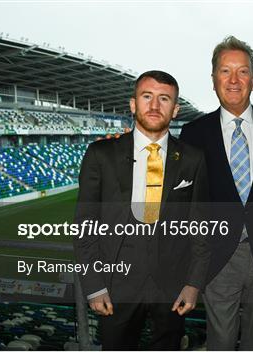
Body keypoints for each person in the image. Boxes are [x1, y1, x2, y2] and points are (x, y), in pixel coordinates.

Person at [74, 70, 210, 350]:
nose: (155, 105)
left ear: (175, 110)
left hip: (171, 289)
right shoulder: (100, 155)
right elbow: (84, 226)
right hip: (115, 286)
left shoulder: (193, 159)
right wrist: (94, 285)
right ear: (133, 103)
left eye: (164, 99)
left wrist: (193, 284)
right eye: (147, 97)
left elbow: (200, 228)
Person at [180, 36, 253, 350]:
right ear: (214, 80)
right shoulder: (192, 134)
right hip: (215, 256)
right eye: (225, 71)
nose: (234, 80)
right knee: (220, 340)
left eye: (242, 72)